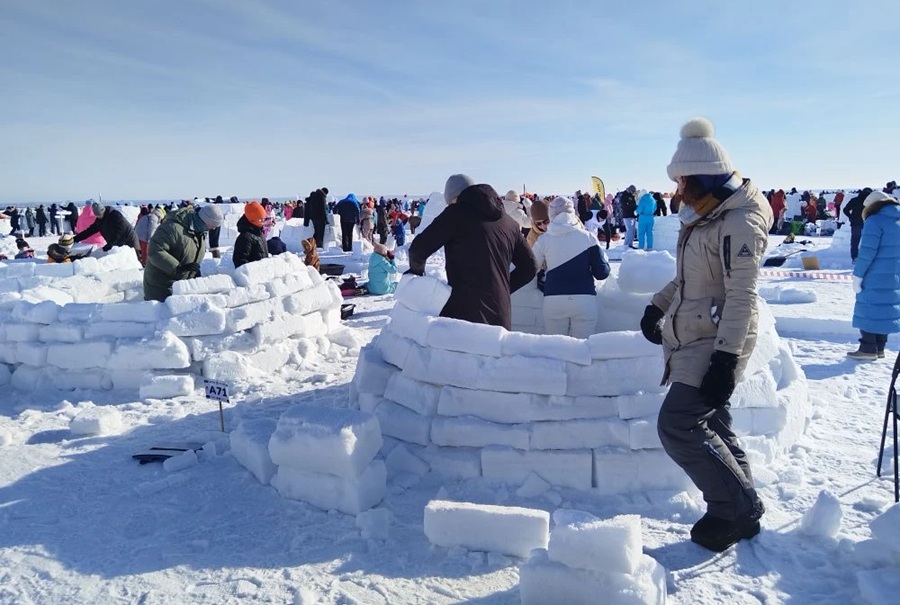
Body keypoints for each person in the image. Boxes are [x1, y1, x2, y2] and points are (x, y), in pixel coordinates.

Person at [640, 117, 770, 552]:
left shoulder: (739, 223)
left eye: (682, 182)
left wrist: (726, 358)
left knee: (678, 423)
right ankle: (744, 507)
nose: (677, 192)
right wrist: (656, 305)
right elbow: (688, 278)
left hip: (717, 338)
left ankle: (729, 509)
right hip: (695, 331)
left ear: (702, 177)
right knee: (713, 419)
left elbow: (741, 296)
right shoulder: (703, 215)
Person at [408, 176, 537, 330]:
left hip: (464, 313)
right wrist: (502, 288)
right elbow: (530, 267)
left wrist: (416, 274)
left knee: (465, 354)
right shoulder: (509, 223)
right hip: (501, 315)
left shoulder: (455, 214)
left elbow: (418, 250)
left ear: (454, 198)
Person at [530, 196, 610, 338]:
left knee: (556, 348)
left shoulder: (544, 240)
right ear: (572, 212)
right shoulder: (589, 237)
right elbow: (602, 273)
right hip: (584, 299)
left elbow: (531, 268)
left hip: (554, 299)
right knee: (582, 348)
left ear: (551, 215)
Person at [847, 191, 900, 360]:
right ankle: (880, 348)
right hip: (895, 274)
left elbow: (867, 252)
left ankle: (868, 348)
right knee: (884, 308)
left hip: (874, 273)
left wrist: (858, 275)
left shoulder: (875, 220)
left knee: (869, 308)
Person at [143, 204, 224, 301]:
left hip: (180, 286)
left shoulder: (199, 231)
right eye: (213, 225)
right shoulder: (172, 228)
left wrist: (193, 271)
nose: (214, 229)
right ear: (205, 220)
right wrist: (177, 268)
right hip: (161, 286)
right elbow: (155, 250)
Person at [73, 203, 140, 256]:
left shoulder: (115, 215)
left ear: (103, 211)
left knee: (134, 262)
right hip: (118, 243)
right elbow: (89, 231)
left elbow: (120, 230)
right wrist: (76, 238)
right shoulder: (99, 221)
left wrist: (111, 243)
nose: (99, 217)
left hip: (130, 240)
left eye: (100, 215)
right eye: (97, 216)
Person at [232, 201, 269, 268]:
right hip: (253, 275)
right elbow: (240, 261)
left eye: (264, 219)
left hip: (263, 273)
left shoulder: (259, 232)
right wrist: (253, 271)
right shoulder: (245, 237)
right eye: (260, 220)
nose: (263, 222)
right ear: (252, 220)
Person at [843, 188, 872, 263]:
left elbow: (845, 210)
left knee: (855, 241)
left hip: (855, 223)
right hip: (867, 223)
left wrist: (851, 217)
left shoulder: (854, 200)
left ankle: (855, 257)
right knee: (868, 241)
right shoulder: (870, 202)